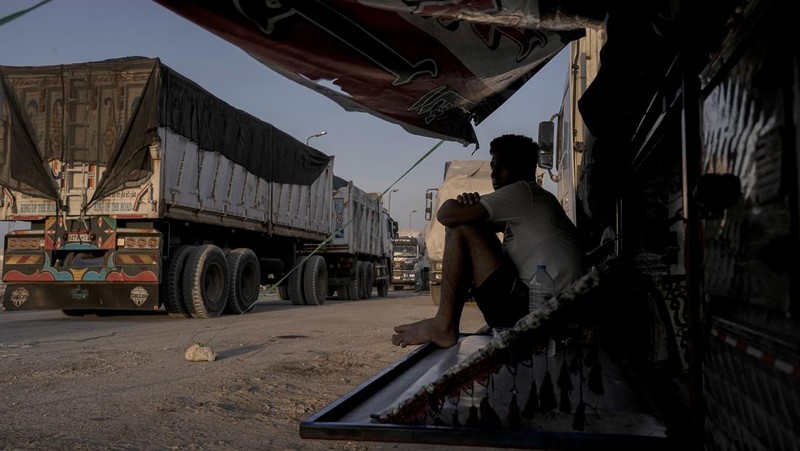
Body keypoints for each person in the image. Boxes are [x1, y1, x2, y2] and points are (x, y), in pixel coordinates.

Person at [392, 134, 585, 348]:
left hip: (541, 314)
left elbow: (447, 216)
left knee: (462, 226)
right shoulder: (528, 203)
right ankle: (443, 324)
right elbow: (476, 230)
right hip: (546, 307)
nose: (493, 174)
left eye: (501, 166)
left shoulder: (523, 192)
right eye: (492, 166)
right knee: (469, 223)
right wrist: (467, 208)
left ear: (521, 168)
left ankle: (444, 325)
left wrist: (460, 205)